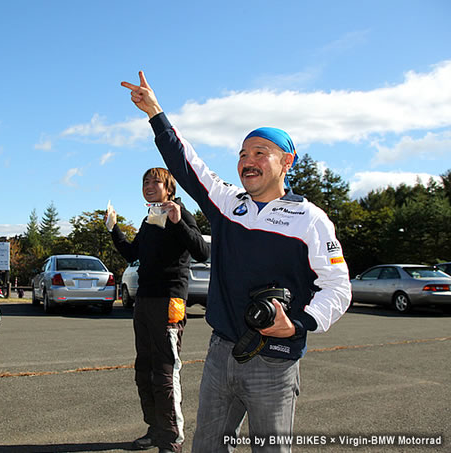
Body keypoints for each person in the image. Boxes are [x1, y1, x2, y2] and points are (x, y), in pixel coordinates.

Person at [121, 72, 351, 452]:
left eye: (261, 153)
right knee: (207, 446)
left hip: (275, 361)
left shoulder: (310, 219)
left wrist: (297, 324)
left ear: (286, 162)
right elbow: (186, 165)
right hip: (221, 353)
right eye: (244, 153)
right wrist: (155, 112)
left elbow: (338, 287)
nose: (248, 160)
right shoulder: (230, 204)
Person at [107, 168, 210, 453]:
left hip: (170, 301)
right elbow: (132, 254)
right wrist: (113, 229)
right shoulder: (149, 218)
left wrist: (178, 222)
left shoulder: (180, 213)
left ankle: (172, 440)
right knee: (145, 369)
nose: (149, 186)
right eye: (145, 182)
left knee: (165, 371)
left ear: (169, 188)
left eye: (156, 182)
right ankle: (154, 429)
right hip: (144, 300)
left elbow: (203, 251)